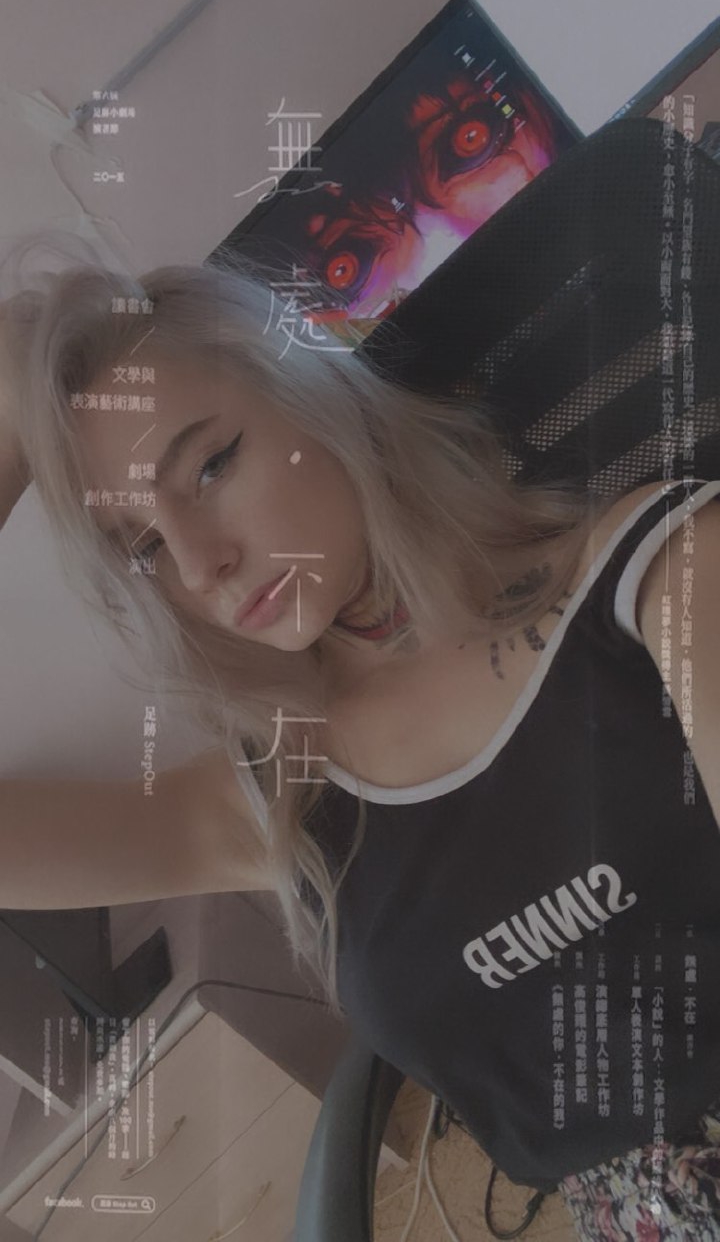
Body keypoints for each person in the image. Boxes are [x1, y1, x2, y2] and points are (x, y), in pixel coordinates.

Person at [1, 240, 720, 1241]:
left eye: (211, 463)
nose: (201, 565)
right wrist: (15, 402)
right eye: (147, 546)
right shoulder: (282, 796)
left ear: (314, 390)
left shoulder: (662, 578)